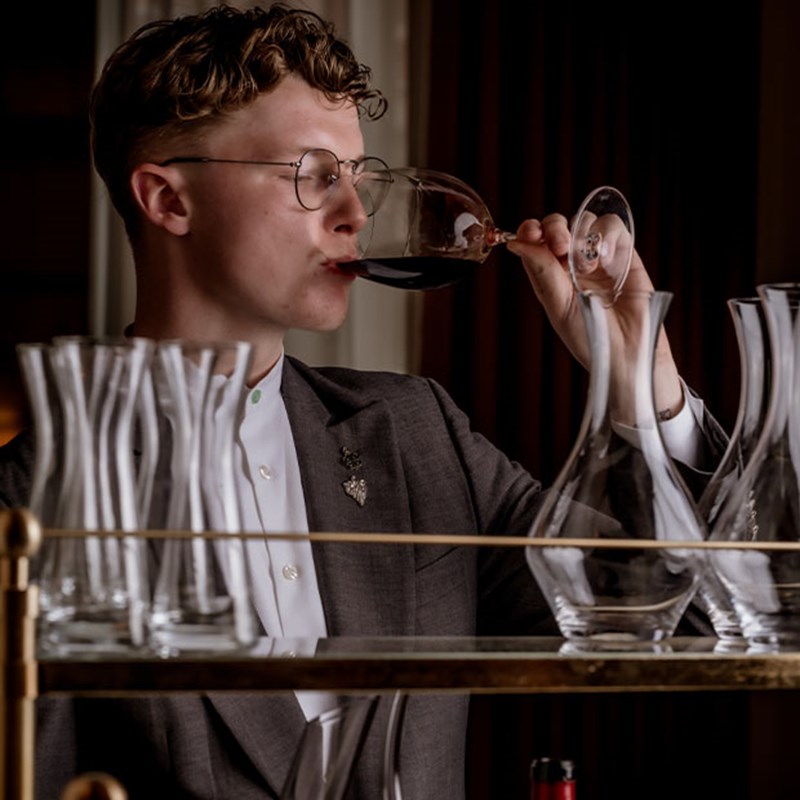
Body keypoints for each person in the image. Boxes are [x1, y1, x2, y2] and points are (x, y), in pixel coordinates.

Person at [0, 4, 726, 799]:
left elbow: (702, 627)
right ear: (169, 201)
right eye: (314, 176)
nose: (356, 214)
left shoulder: (416, 432)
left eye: (355, 176)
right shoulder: (33, 507)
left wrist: (642, 382)